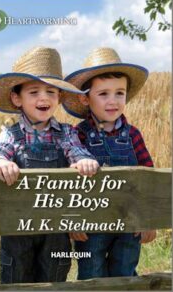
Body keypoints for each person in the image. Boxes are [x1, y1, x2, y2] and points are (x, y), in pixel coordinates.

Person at [0, 46, 99, 283]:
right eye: (34, 92)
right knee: (17, 274)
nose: (43, 98)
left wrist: (84, 161)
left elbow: (75, 150)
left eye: (50, 91)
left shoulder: (65, 133)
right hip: (18, 225)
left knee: (53, 275)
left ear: (58, 97)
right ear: (17, 98)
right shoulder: (11, 134)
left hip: (56, 224)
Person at [62, 47, 156, 279]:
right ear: (85, 98)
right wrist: (73, 220)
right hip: (91, 225)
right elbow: (67, 184)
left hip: (129, 223)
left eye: (119, 93)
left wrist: (148, 219)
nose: (113, 101)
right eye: (103, 94)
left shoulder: (133, 135)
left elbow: (149, 179)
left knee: (125, 273)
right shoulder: (77, 136)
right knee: (91, 274)